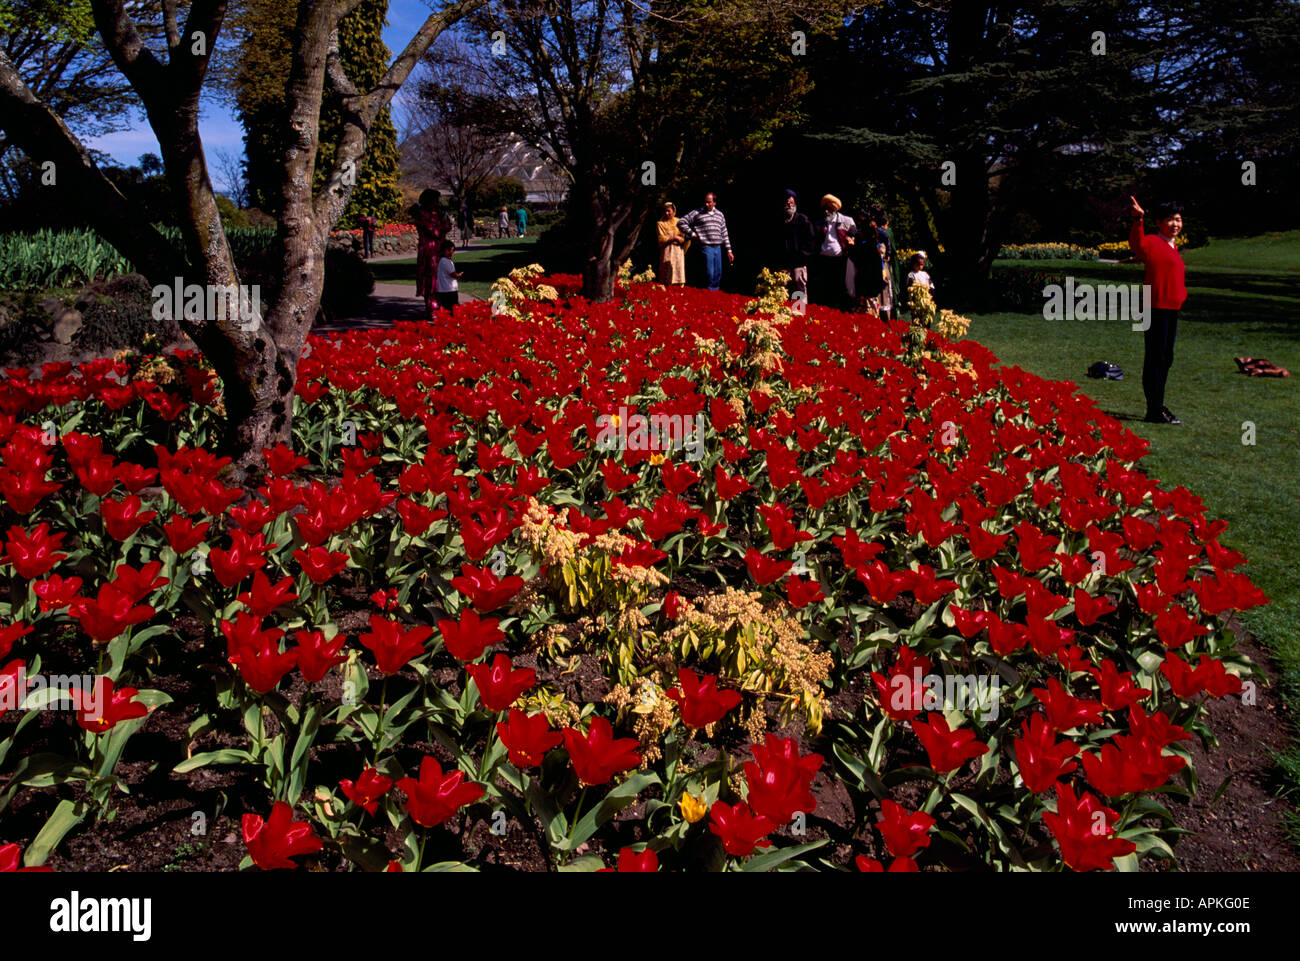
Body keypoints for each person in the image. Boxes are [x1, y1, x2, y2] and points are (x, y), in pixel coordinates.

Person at [1128, 196, 1187, 424]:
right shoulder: (1152, 242)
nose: (1176, 224)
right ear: (1159, 222)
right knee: (1155, 358)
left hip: (1170, 309)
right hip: (1153, 308)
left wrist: (1182, 296)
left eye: (1179, 220)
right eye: (1171, 220)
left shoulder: (1172, 246)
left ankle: (1158, 405)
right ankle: (1153, 410)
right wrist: (1138, 219)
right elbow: (1137, 244)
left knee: (1166, 358)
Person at [678, 192, 733, 291]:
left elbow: (724, 233)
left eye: (709, 202)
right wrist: (692, 233)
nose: (706, 204)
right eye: (705, 202)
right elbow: (681, 222)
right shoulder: (697, 212)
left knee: (718, 272)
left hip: (718, 247)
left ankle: (715, 293)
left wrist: (729, 250)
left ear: (714, 203)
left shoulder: (720, 215)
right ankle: (708, 293)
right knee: (709, 272)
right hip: (706, 247)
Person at [411, 189, 449, 321]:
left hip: (439, 250)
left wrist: (443, 220)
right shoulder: (421, 215)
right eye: (435, 200)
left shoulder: (437, 213)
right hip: (429, 250)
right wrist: (442, 227)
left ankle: (440, 306)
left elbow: (447, 226)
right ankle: (432, 308)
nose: (437, 203)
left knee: (441, 278)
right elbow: (435, 231)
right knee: (431, 279)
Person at [812, 194, 855, 308]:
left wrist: (850, 239)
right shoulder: (819, 223)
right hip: (823, 259)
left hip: (840, 259)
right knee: (825, 288)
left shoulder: (846, 220)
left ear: (835, 209)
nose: (826, 212)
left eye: (829, 209)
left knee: (840, 287)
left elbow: (855, 234)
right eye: (825, 209)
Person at [776, 189, 815, 301]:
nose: (789, 205)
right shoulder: (779, 220)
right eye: (786, 203)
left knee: (799, 289)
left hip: (799, 261)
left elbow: (810, 241)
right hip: (784, 263)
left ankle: (799, 315)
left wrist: (802, 255)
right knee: (782, 289)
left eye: (791, 203)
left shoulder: (803, 220)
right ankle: (781, 315)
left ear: (795, 204)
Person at [657, 201, 687, 285]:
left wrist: (683, 240)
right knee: (666, 275)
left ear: (674, 211)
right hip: (667, 251)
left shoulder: (679, 222)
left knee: (678, 274)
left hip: (678, 251)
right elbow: (661, 238)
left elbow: (685, 236)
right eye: (665, 211)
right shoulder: (660, 224)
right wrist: (674, 237)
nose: (667, 213)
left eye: (669, 211)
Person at [436, 239, 463, 315]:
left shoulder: (442, 260)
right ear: (443, 250)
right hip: (449, 289)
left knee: (446, 308)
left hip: (444, 290)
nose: (451, 253)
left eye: (452, 251)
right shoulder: (446, 261)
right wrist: (458, 275)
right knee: (452, 308)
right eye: (449, 250)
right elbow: (453, 274)